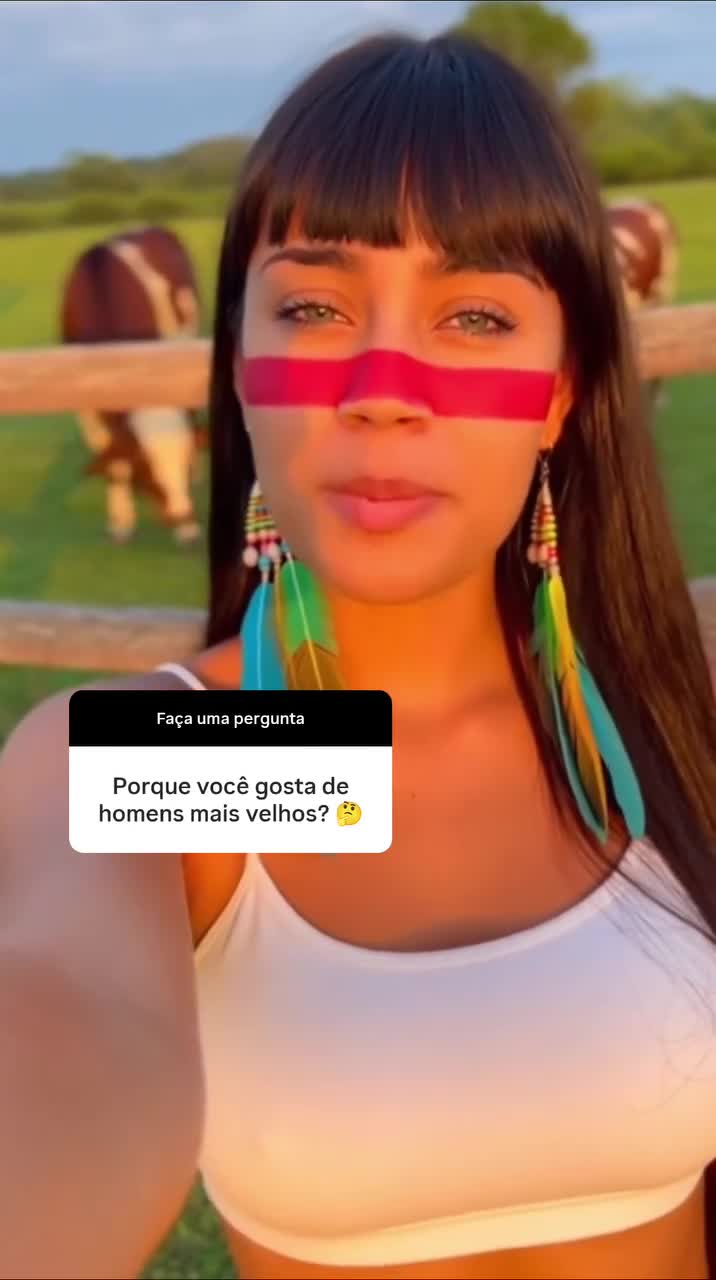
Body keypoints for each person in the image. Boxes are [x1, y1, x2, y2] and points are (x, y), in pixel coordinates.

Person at [2, 32, 715, 1280]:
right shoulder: (216, 758)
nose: (382, 388)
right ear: (240, 368)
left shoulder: (653, 705)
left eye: (475, 315)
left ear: (558, 393)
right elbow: (61, 1010)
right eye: (314, 309)